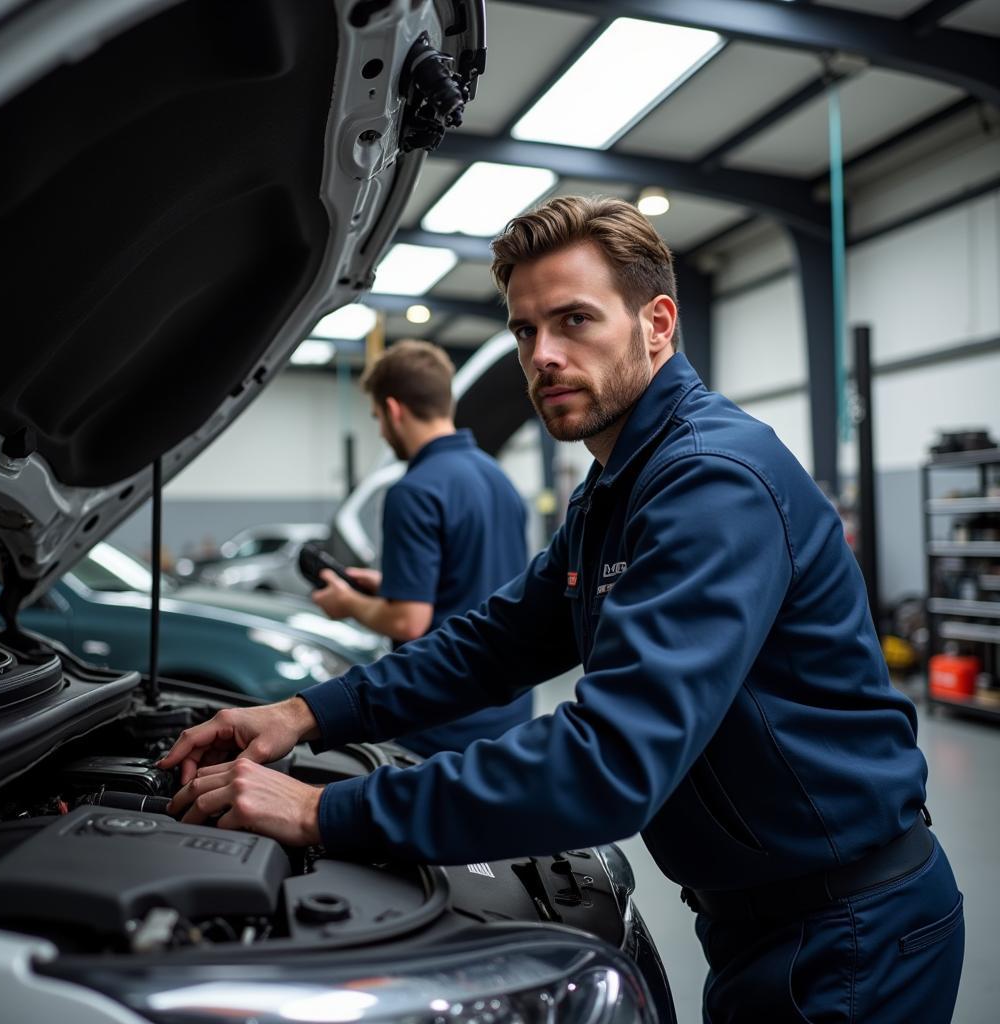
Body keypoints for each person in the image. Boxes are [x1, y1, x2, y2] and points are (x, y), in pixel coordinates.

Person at [161, 197, 963, 1022]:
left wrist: (325, 809)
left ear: (657, 324)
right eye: (524, 330)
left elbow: (609, 763)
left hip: (849, 936)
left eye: (575, 320)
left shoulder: (712, 481)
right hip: (764, 924)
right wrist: (303, 714)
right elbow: (492, 642)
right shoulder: (615, 488)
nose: (543, 355)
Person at [310, 339, 533, 756]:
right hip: (507, 712)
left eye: (378, 417)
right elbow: (480, 581)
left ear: (394, 410)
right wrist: (389, 583)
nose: (381, 428)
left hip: (443, 722)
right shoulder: (497, 478)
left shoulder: (413, 490)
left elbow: (408, 621)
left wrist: (348, 604)